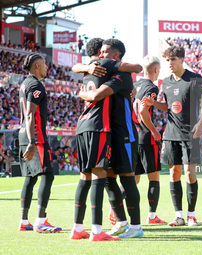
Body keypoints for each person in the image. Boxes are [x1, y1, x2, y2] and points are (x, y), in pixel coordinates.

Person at [70, 38, 141, 241]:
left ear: (116, 56)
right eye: (99, 52)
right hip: (108, 133)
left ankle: (136, 226)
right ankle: (121, 222)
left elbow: (96, 95)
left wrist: (82, 93)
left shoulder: (122, 76)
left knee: (127, 179)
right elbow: (78, 67)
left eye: (105, 52)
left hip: (125, 134)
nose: (100, 56)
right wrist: (86, 67)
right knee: (109, 178)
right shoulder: (102, 70)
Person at [142, 46, 202, 227]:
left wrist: (201, 123)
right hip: (171, 134)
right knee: (174, 173)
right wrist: (154, 103)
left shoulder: (195, 79)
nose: (170, 63)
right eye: (168, 60)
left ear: (182, 60)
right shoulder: (166, 82)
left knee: (189, 174)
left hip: (190, 133)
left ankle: (192, 214)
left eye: (173, 59)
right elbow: (168, 106)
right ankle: (178, 215)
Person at [18, 53, 62, 233]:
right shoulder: (36, 85)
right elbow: (30, 114)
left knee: (31, 177)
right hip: (35, 137)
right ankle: (41, 221)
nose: (46, 68)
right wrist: (32, 141)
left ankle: (24, 221)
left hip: (23, 134)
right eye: (44, 64)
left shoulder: (24, 84)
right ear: (37, 66)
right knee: (47, 175)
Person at [133, 55, 165, 224]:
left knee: (134, 178)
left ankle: (116, 209)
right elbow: (143, 111)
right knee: (153, 177)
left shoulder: (135, 85)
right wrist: (154, 131)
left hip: (133, 136)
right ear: (155, 70)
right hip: (146, 137)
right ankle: (152, 216)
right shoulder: (152, 87)